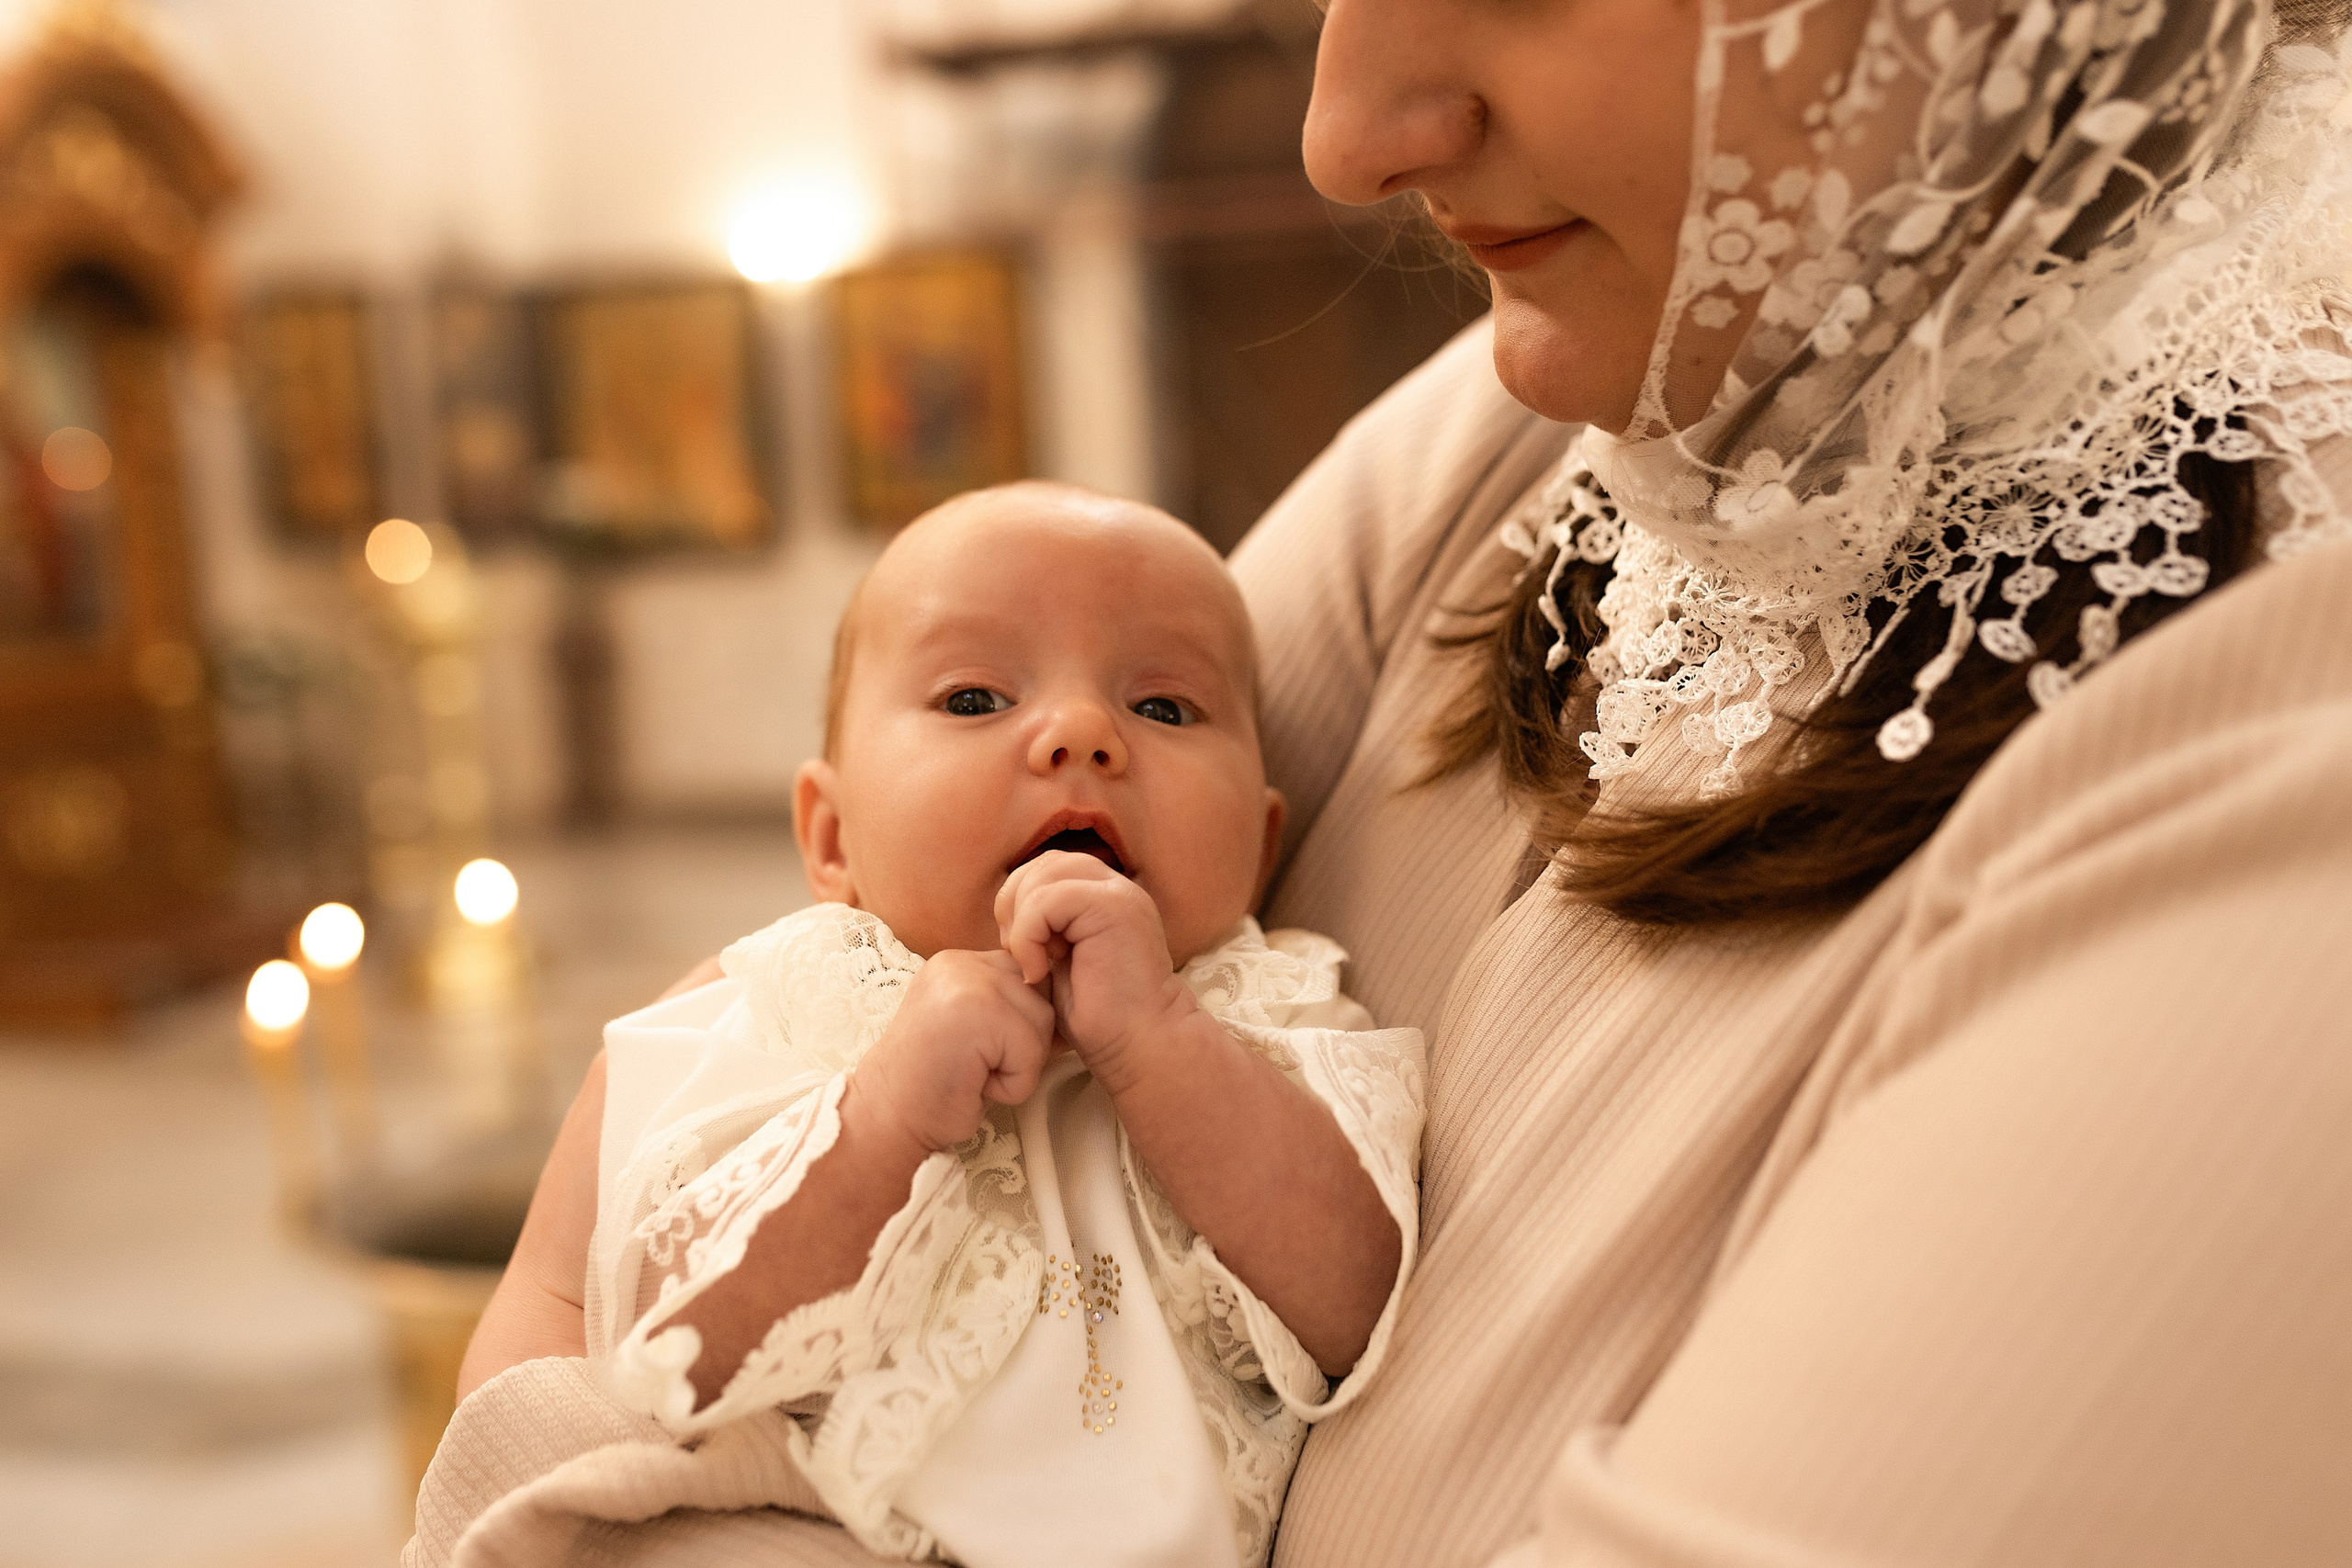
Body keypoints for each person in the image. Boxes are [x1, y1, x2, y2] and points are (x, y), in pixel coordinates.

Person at [413, 0, 2352, 1562]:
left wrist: (587, 1448)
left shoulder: (2278, 817)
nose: (1344, 125)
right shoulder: (1583, 405)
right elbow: (658, 1237)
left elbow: (573, 1395)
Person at [429, 483, 1423, 1568]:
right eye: (973, 699)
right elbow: (658, 1356)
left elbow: (1359, 1302)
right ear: (832, 837)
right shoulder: (773, 1007)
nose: (1081, 734)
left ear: (1261, 848)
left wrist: (1163, 1041)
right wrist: (877, 1119)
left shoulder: (1267, 1010)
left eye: (1165, 708)